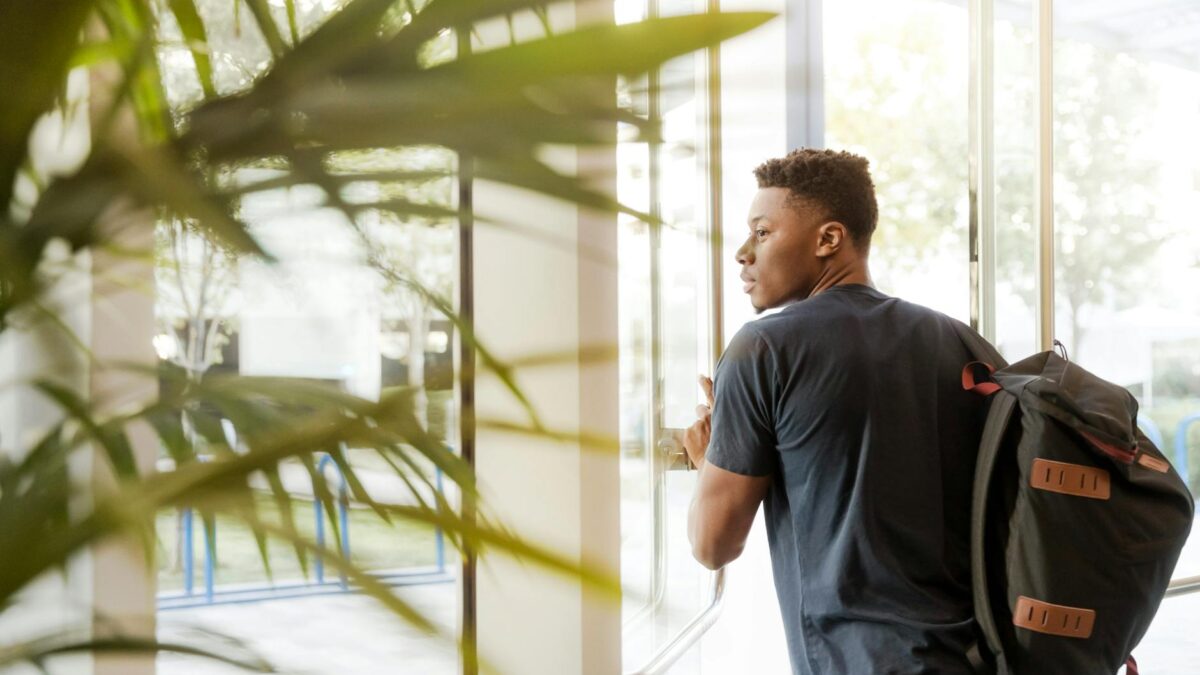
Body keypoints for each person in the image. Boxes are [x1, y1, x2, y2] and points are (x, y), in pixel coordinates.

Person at [683, 148, 986, 674]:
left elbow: (713, 544)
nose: (741, 253)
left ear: (828, 239)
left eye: (761, 232)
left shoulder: (763, 349)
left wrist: (710, 459)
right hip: (973, 655)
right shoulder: (955, 339)